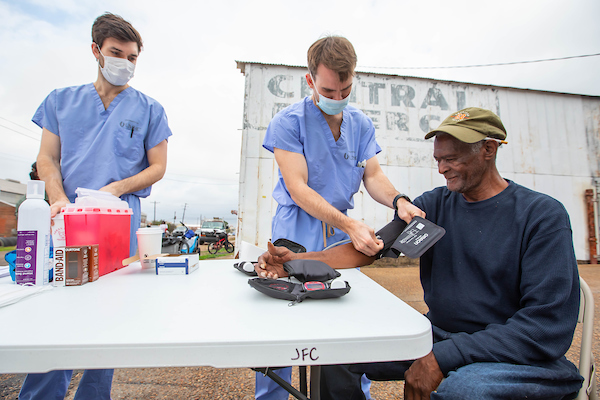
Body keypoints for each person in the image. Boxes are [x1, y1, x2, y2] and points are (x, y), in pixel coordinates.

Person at [257, 107, 584, 400]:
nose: (442, 169)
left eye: (452, 159)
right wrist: (295, 263)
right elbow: (368, 252)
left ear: (489, 149)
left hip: (515, 353)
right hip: (441, 335)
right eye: (438, 159)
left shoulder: (541, 216)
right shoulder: (433, 206)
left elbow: (545, 328)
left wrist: (442, 357)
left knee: (465, 388)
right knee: (339, 351)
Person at [258, 35, 425, 400]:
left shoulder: (361, 125)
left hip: (336, 232)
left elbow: (374, 176)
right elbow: (298, 188)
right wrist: (351, 224)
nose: (337, 98)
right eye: (329, 90)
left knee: (345, 321)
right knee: (282, 324)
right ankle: (272, 395)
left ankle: (351, 394)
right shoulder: (289, 122)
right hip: (296, 228)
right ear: (310, 81)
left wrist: (398, 200)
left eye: (345, 89)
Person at [20, 12, 172, 400]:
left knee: (108, 319)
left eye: (133, 57)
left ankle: (93, 394)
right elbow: (47, 159)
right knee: (59, 317)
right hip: (68, 223)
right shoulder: (60, 101)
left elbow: (158, 167)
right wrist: (58, 199)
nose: (125, 62)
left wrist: (117, 187)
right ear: (96, 51)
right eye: (116, 53)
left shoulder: (150, 109)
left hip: (118, 226)